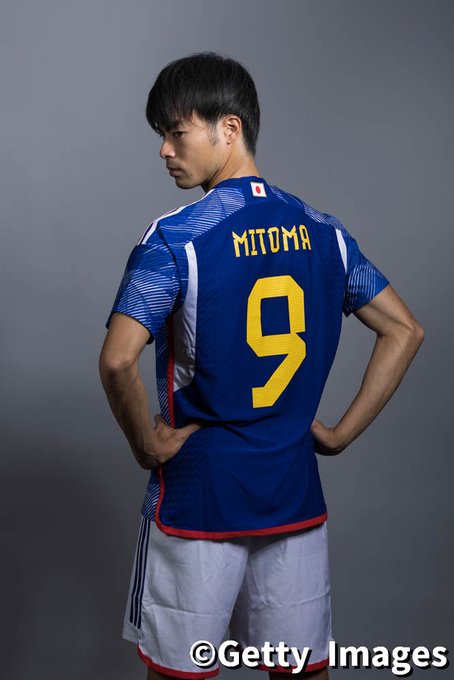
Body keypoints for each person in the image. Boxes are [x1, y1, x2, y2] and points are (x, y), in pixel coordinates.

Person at [99, 51, 424, 680]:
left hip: (199, 498)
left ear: (229, 128)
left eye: (176, 132)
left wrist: (146, 443)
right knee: (301, 671)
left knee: (181, 674)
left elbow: (117, 361)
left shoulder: (175, 239)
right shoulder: (324, 232)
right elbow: (405, 330)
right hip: (293, 494)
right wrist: (339, 433)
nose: (164, 150)